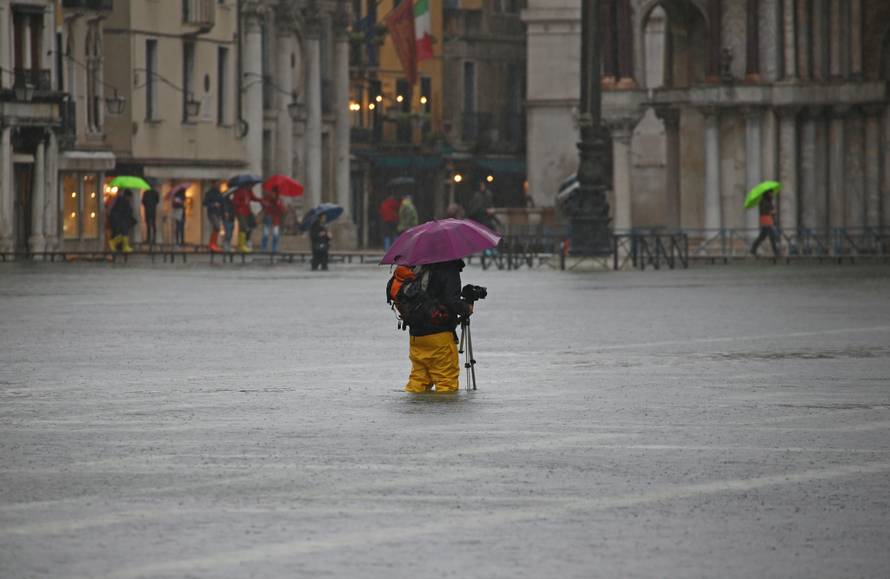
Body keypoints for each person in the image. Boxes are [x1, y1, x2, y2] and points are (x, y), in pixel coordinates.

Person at [403, 259, 474, 394]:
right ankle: (444, 415)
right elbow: (453, 302)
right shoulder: (449, 267)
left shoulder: (417, 265)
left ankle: (414, 412)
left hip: (416, 335)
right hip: (439, 336)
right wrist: (467, 307)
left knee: (418, 381)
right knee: (446, 383)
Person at [750, 190, 780, 257]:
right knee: (772, 236)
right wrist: (772, 212)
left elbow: (770, 210)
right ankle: (776, 252)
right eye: (771, 193)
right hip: (766, 220)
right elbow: (764, 210)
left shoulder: (768, 200)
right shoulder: (763, 201)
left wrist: (772, 212)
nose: (772, 194)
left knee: (762, 236)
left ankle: (753, 249)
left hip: (768, 220)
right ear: (767, 193)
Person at [232, 186, 261, 253]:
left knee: (252, 225)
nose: (251, 186)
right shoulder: (239, 192)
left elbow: (253, 198)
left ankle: (246, 241)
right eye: (250, 185)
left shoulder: (249, 191)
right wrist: (242, 203)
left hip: (247, 212)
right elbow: (235, 202)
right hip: (240, 212)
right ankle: (241, 245)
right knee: (243, 228)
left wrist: (260, 200)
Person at [260, 188, 286, 253]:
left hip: (276, 219)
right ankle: (264, 247)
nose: (272, 194)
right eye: (271, 192)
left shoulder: (279, 200)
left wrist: (278, 204)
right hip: (268, 218)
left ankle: (274, 247)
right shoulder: (267, 198)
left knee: (275, 233)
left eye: (274, 193)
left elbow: (282, 210)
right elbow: (263, 206)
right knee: (266, 233)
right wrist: (267, 205)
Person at [203, 183, 225, 252]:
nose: (218, 186)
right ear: (213, 185)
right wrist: (213, 204)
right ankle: (212, 244)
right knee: (217, 227)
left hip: (218, 213)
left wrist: (223, 211)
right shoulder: (209, 193)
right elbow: (204, 203)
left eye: (219, 185)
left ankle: (213, 244)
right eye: (217, 184)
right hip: (212, 212)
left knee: (216, 228)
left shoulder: (220, 193)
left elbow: (222, 203)